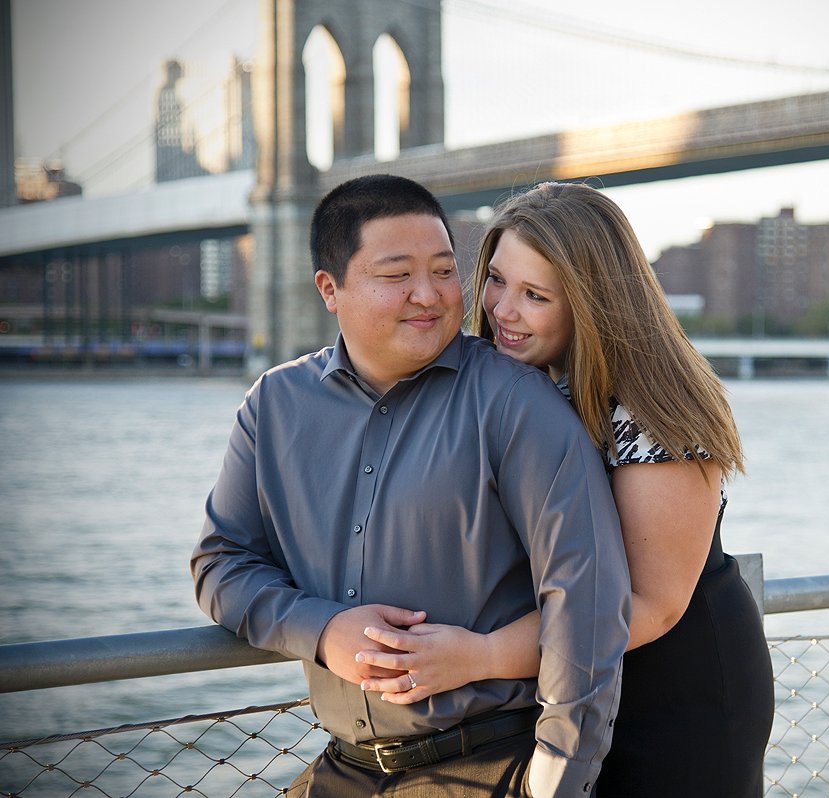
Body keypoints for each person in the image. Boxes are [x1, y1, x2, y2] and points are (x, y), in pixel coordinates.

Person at [191, 175, 632, 798]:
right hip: (343, 767)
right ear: (330, 289)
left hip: (491, 763)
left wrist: (556, 783)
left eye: (445, 271)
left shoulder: (515, 402)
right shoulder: (273, 406)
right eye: (397, 275)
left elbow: (584, 603)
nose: (428, 296)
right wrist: (322, 631)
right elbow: (221, 564)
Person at [353, 182, 775, 797]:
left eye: (535, 295)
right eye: (496, 280)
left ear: (593, 304)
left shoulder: (650, 409)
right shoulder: (521, 388)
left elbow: (647, 605)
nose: (502, 309)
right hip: (557, 694)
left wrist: (479, 655)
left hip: (673, 690)